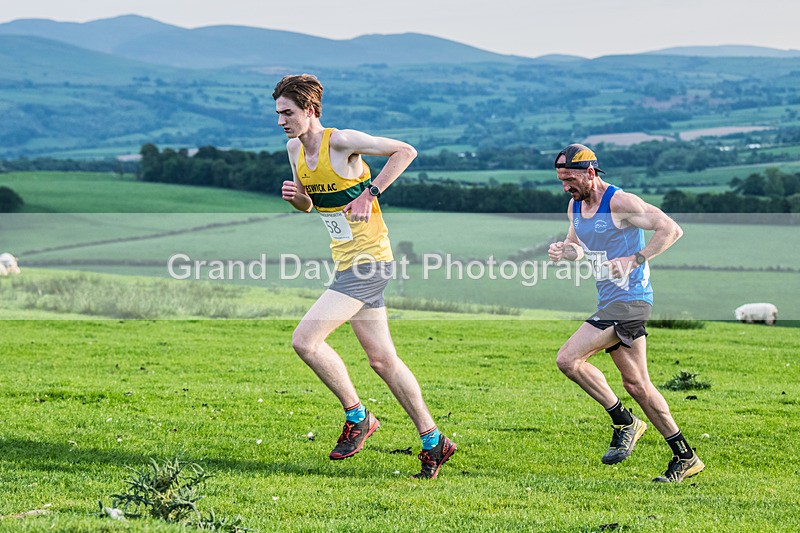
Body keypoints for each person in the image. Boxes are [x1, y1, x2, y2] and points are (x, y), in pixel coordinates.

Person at [273, 74, 455, 479]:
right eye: (278, 114)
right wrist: (298, 199)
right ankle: (433, 440)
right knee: (383, 360)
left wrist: (370, 192)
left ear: (310, 110)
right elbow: (311, 205)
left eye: (288, 113)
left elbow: (405, 151)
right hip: (346, 262)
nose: (281, 121)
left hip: (370, 261)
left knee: (305, 340)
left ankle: (359, 418)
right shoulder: (294, 150)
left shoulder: (342, 141)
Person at [548, 144, 704, 483]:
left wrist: (636, 258)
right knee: (638, 385)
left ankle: (625, 422)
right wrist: (565, 251)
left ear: (590, 172)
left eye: (570, 179)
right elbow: (578, 248)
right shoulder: (575, 205)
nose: (566, 187)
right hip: (609, 301)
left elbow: (671, 229)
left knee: (568, 359)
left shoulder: (620, 202)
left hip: (631, 300)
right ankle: (685, 456)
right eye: (561, 180)